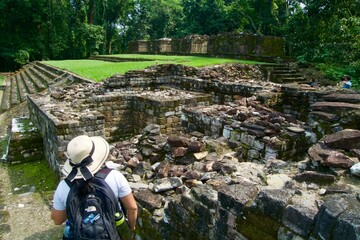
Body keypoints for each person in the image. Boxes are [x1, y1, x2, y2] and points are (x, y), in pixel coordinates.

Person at [51, 135, 138, 236]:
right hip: (109, 234)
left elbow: (57, 220)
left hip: (81, 235)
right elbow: (132, 208)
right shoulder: (115, 176)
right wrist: (131, 227)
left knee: (68, 230)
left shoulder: (63, 186)